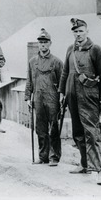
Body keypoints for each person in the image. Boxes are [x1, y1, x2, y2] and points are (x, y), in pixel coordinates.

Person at [58, 18, 101, 185]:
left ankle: (100, 170)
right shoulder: (70, 50)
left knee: (92, 133)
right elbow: (65, 73)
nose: (78, 34)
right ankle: (84, 164)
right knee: (78, 132)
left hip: (89, 97)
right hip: (72, 96)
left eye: (80, 31)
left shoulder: (96, 50)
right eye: (75, 31)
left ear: (87, 31)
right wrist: (61, 93)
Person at [24, 28, 63, 166]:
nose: (43, 45)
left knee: (53, 127)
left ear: (50, 44)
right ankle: (43, 156)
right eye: (40, 42)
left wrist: (61, 98)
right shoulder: (32, 62)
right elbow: (29, 80)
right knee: (40, 128)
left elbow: (62, 83)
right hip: (38, 98)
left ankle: (54, 157)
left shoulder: (57, 62)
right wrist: (28, 97)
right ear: (38, 44)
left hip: (52, 98)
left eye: (45, 42)